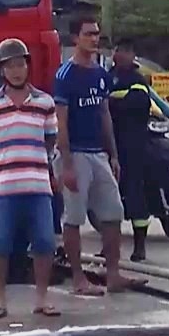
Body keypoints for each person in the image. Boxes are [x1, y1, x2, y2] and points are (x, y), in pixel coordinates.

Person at [0, 37, 60, 320]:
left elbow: (51, 141)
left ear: (28, 67)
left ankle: (42, 298)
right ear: (2, 70)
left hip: (38, 185)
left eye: (20, 64)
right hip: (3, 187)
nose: (16, 71)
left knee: (44, 242)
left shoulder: (44, 103)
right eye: (10, 66)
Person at [52, 15, 123, 297]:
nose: (94, 39)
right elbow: (61, 122)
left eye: (97, 34)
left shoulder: (101, 74)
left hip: (98, 153)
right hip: (75, 154)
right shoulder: (65, 77)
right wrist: (66, 164)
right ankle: (78, 277)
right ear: (75, 38)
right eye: (88, 34)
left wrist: (113, 154)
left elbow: (105, 114)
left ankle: (113, 273)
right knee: (74, 216)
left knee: (113, 211)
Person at [109, 38, 169, 262]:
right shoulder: (107, 77)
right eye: (120, 50)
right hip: (110, 144)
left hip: (133, 145)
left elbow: (139, 103)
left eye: (128, 51)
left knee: (135, 192)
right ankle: (109, 246)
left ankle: (140, 246)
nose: (123, 55)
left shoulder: (136, 80)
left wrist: (110, 105)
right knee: (108, 198)